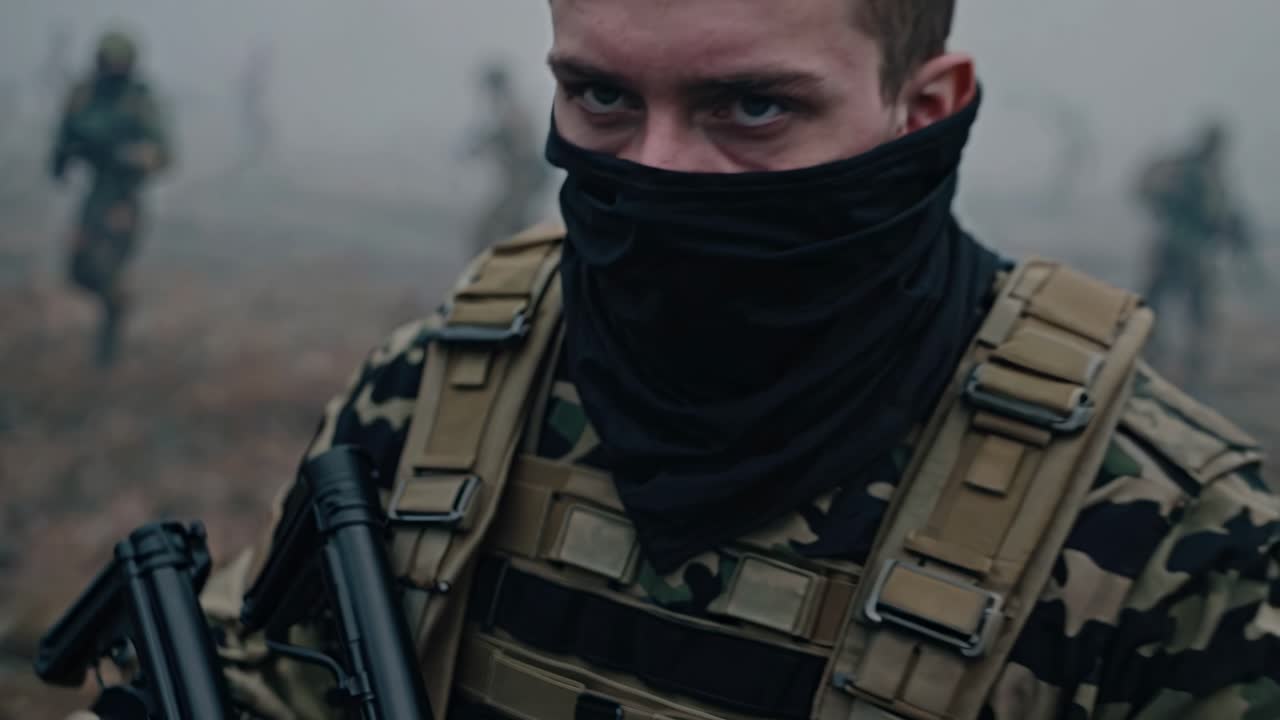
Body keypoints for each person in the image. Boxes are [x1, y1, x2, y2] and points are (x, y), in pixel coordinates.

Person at [76, 2, 1280, 718]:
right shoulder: (441, 388)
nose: (654, 174)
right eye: (599, 96)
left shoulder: (1171, 542)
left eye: (750, 108)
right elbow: (279, 673)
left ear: (923, 111)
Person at [49, 30, 171, 368]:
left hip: (124, 197)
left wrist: (133, 156)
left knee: (109, 267)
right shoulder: (85, 97)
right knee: (79, 269)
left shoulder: (138, 102)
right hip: (96, 194)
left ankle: (108, 351)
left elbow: (163, 154)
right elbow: (64, 137)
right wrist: (63, 158)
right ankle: (115, 309)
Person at [1136, 122, 1255, 390]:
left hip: (1172, 247)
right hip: (1187, 251)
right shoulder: (1199, 173)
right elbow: (1213, 213)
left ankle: (1161, 357)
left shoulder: (1193, 170)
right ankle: (1178, 363)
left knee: (1162, 304)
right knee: (1189, 308)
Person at [464, 62, 548, 256]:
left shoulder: (513, 110)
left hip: (525, 179)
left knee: (494, 226)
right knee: (514, 226)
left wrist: (493, 141)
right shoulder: (506, 110)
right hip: (521, 180)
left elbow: (521, 147)